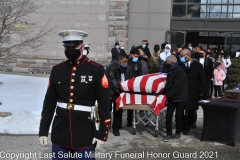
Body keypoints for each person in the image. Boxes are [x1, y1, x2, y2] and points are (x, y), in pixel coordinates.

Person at [38, 30, 111, 160]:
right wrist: (43, 130)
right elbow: (49, 102)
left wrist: (102, 133)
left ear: (82, 46)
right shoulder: (58, 69)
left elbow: (104, 103)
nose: (70, 49)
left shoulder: (95, 69)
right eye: (67, 47)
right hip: (60, 132)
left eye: (74, 46)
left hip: (85, 133)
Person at [179, 49, 206, 135]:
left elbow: (203, 80)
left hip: (192, 92)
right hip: (181, 92)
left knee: (190, 110)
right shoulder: (179, 65)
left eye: (182, 55)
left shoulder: (198, 66)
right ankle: (182, 125)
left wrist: (202, 92)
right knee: (180, 110)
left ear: (187, 55)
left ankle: (187, 127)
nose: (181, 57)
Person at [163, 55, 188, 142]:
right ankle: (169, 133)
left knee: (178, 116)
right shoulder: (171, 70)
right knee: (168, 116)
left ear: (172, 63)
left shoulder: (180, 72)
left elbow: (176, 86)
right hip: (172, 97)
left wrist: (168, 95)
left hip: (180, 97)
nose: (166, 64)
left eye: (167, 63)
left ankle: (178, 132)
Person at [106, 53, 129, 136]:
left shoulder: (124, 67)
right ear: (119, 61)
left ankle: (116, 127)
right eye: (124, 61)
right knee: (107, 111)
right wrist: (121, 88)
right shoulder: (111, 68)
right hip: (110, 92)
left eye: (126, 61)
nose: (126, 63)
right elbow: (113, 82)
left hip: (119, 91)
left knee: (118, 111)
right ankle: (106, 127)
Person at [125, 49, 143, 126]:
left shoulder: (138, 63)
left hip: (135, 85)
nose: (136, 58)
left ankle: (136, 118)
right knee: (129, 104)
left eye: (137, 56)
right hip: (127, 85)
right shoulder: (126, 62)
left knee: (135, 102)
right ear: (131, 54)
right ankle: (129, 120)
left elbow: (140, 74)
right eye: (135, 56)